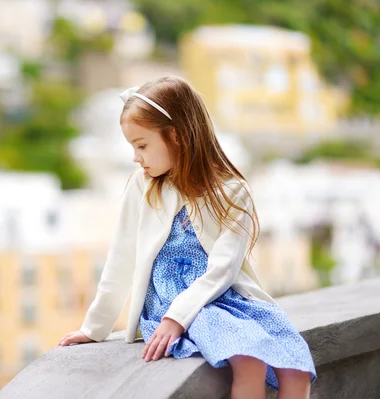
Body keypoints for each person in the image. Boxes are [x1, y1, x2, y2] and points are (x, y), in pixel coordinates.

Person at [59, 76, 316, 398]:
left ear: (177, 136)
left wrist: (179, 319)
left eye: (142, 145)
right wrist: (94, 328)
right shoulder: (142, 186)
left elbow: (224, 268)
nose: (136, 157)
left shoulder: (232, 191)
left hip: (225, 295)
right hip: (170, 300)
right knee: (249, 360)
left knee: (297, 368)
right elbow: (121, 259)